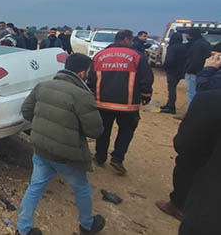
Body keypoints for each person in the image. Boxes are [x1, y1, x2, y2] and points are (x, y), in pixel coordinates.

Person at [17, 53, 105, 235]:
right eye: (89, 71)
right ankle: (87, 225)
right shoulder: (82, 95)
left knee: (35, 187)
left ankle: (23, 230)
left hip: (41, 149)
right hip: (67, 155)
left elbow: (26, 111)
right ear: (82, 73)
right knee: (82, 188)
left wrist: (44, 125)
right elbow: (95, 131)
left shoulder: (43, 86)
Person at [155, 89, 221, 235]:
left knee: (185, 167)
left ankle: (177, 204)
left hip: (207, 211)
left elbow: (184, 143)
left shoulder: (210, 99)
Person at [89, 30, 154, 175]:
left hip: (102, 103)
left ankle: (100, 157)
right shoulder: (136, 56)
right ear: (126, 39)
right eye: (131, 40)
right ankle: (117, 158)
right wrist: (146, 95)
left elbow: (91, 78)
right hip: (128, 105)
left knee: (103, 131)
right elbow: (146, 77)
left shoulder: (100, 55)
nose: (132, 43)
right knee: (126, 132)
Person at [160, 33, 187, 114]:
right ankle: (169, 104)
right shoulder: (184, 47)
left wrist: (165, 67)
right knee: (173, 88)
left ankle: (171, 107)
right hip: (181, 71)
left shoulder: (172, 47)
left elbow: (169, 60)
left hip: (172, 71)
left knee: (171, 89)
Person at [184, 28, 212, 105]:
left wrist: (188, 70)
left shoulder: (198, 44)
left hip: (194, 73)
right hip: (201, 72)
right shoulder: (204, 43)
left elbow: (196, 60)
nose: (186, 35)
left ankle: (190, 113)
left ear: (191, 35)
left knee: (191, 93)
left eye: (187, 34)